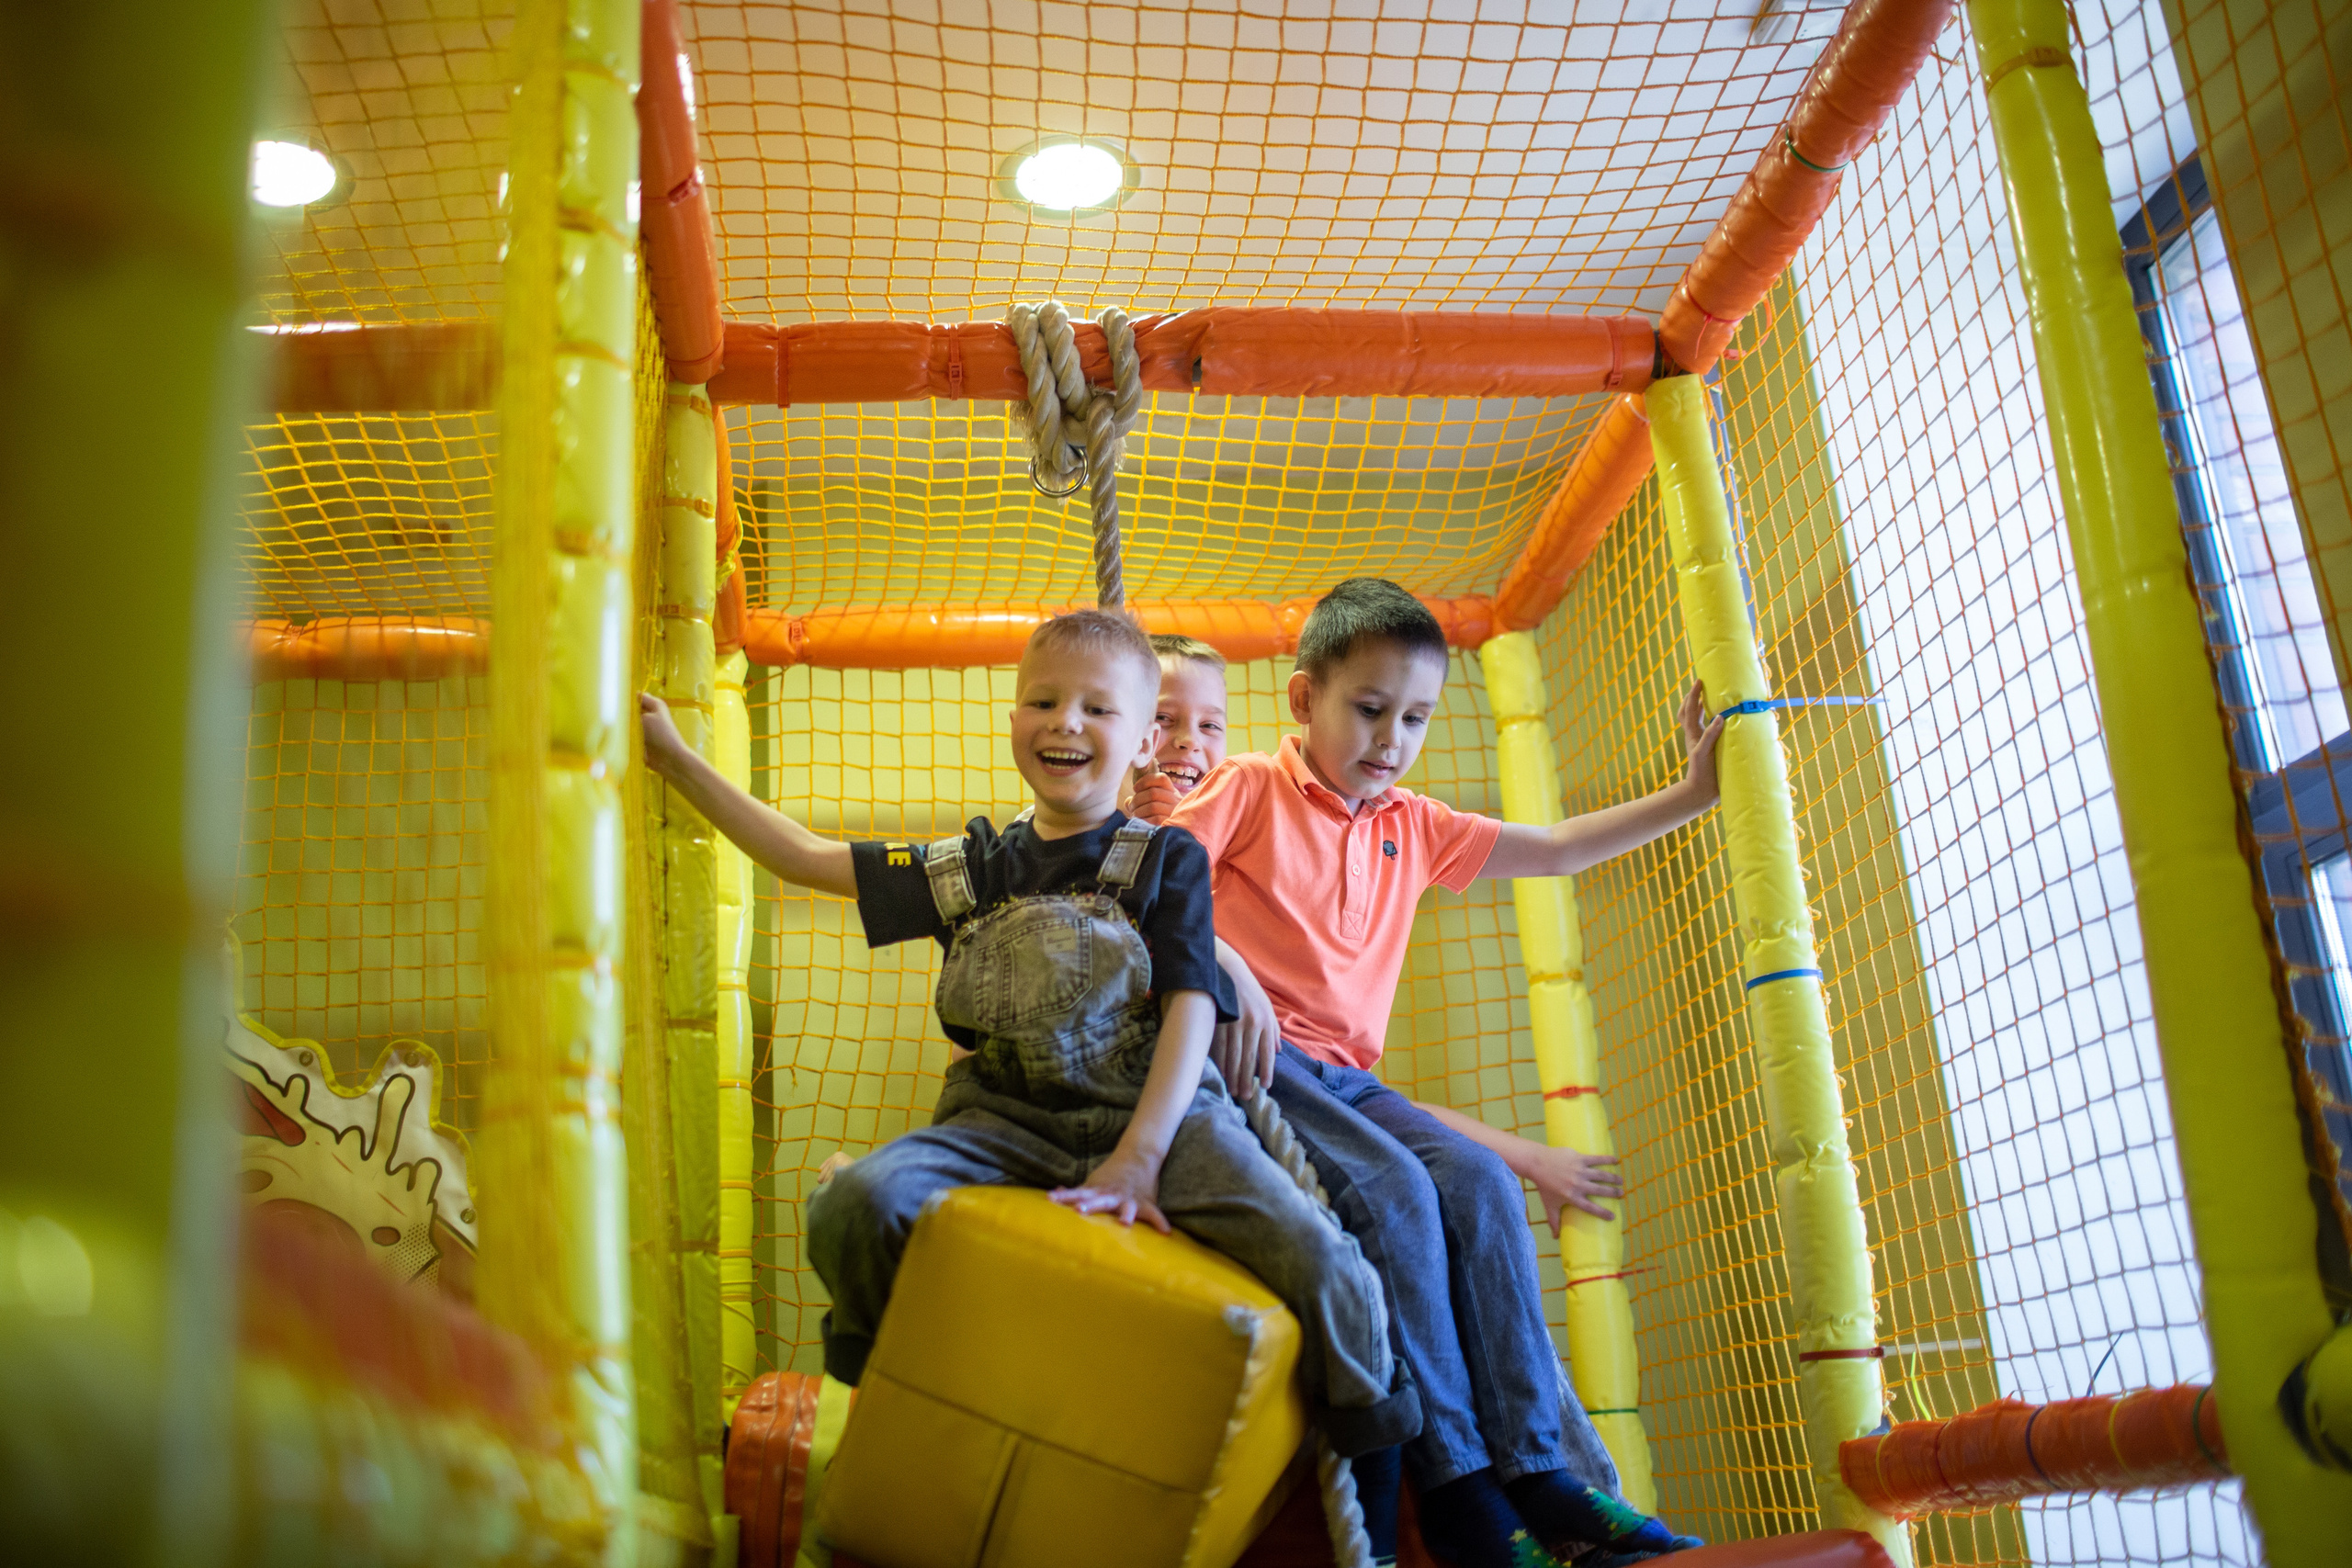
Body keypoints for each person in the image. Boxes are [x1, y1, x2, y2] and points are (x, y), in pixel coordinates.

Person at [638, 608, 1420, 1463]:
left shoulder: (1164, 859)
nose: (1066, 722)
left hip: (1158, 1115)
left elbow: (1193, 1004)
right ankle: (880, 1394)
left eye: (1097, 708)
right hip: (1004, 1121)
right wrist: (678, 761)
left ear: (1140, 745)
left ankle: (1375, 1469)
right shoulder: (974, 865)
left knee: (1324, 1259)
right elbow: (803, 856)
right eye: (1042, 701)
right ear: (1014, 720)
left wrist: (1141, 1155)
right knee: (855, 1204)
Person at [1151, 579, 1717, 1568]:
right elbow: (1157, 878)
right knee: (1399, 1195)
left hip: (1349, 1080)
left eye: (1414, 718)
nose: (1391, 739)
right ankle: (1457, 1489)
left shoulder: (1408, 823)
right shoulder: (1245, 787)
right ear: (1302, 700)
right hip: (1257, 1065)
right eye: (1368, 710)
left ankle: (1538, 1469)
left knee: (1482, 1182)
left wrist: (1693, 794)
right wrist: (1226, 962)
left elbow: (1556, 848)